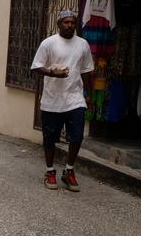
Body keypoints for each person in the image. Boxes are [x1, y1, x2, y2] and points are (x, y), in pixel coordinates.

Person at [30, 10, 96, 192]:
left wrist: (88, 95)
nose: (69, 25)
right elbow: (36, 67)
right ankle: (50, 171)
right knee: (50, 138)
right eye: (66, 22)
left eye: (72, 22)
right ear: (59, 24)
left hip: (75, 98)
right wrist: (52, 72)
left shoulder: (82, 44)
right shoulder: (49, 43)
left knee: (77, 136)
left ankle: (69, 170)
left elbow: (87, 71)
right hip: (52, 99)